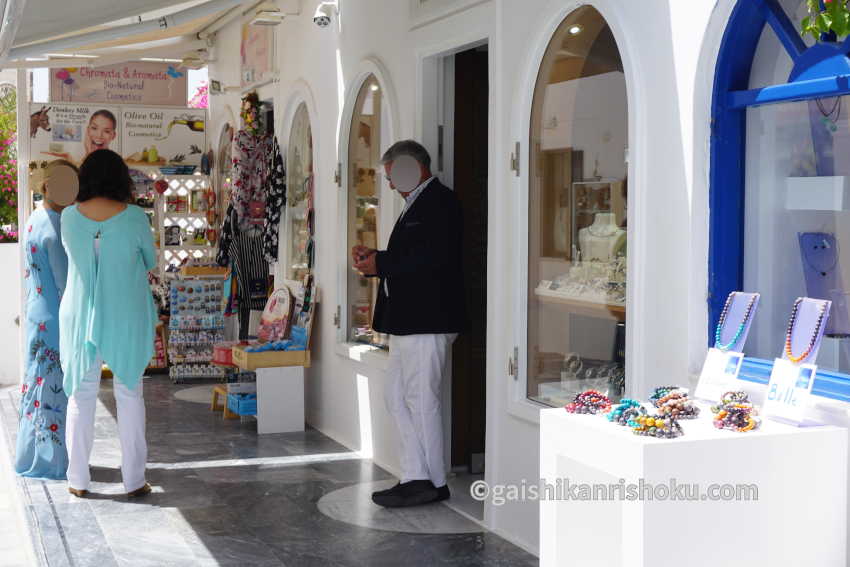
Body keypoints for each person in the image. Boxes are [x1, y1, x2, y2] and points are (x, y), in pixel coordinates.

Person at [352, 140, 466, 508]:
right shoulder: (417, 203)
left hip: (427, 319)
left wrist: (380, 262)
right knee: (397, 396)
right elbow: (409, 256)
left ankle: (432, 479)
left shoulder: (441, 202)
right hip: (408, 320)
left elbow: (432, 259)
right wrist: (376, 260)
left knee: (421, 399)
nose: (388, 183)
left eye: (391, 175)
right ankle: (415, 474)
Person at [59, 149, 157, 498]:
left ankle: (78, 481)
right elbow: (150, 260)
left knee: (80, 396)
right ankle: (133, 479)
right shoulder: (134, 218)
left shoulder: (69, 216)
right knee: (130, 394)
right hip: (124, 313)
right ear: (121, 179)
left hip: (79, 313)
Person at [14, 160, 79, 479]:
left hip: (36, 312)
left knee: (35, 386)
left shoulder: (34, 218)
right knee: (53, 389)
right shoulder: (55, 225)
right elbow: (65, 281)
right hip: (54, 318)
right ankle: (50, 462)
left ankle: (28, 456)